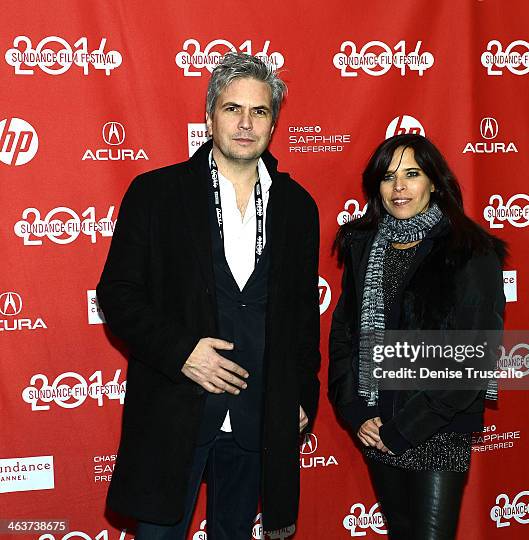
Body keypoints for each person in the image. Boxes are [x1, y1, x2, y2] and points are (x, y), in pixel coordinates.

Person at [97, 52, 320, 540]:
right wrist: (183, 353)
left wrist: (302, 392)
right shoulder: (156, 193)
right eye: (232, 108)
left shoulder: (298, 207)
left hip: (260, 414)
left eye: (258, 112)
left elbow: (303, 313)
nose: (245, 123)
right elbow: (117, 294)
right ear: (209, 116)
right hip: (175, 411)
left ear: (274, 122)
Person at [328, 134, 506, 539]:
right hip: (375, 425)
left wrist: (404, 428)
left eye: (412, 174)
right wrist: (356, 411)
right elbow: (344, 337)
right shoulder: (364, 246)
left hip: (437, 428)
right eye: (389, 177)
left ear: (435, 183)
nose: (399, 187)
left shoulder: (470, 252)